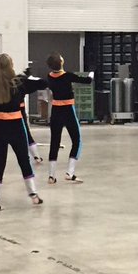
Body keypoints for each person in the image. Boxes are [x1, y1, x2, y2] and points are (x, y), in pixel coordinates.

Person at [0, 54, 48, 211]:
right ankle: (33, 195)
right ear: (10, 67)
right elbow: (43, 83)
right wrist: (26, 76)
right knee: (24, 160)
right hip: (15, 126)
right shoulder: (19, 84)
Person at [45, 54, 93, 184]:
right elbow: (87, 81)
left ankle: (51, 175)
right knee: (77, 141)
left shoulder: (49, 76)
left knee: (54, 142)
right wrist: (91, 73)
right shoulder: (68, 76)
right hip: (68, 110)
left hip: (56, 111)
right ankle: (70, 172)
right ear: (61, 62)